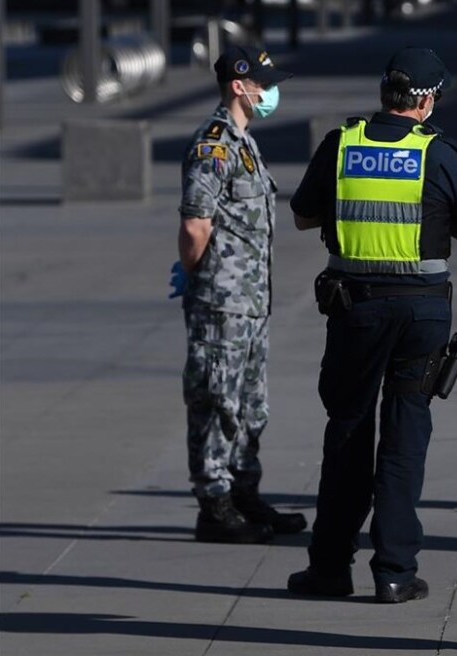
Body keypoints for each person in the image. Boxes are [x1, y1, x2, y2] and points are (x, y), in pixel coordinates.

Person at [285, 46, 457, 603]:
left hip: (356, 308)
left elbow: (303, 216)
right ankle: (395, 571)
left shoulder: (341, 143)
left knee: (348, 429)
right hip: (422, 311)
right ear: (425, 100)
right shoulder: (439, 152)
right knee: (405, 436)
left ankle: (329, 568)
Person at [170, 45, 306, 544]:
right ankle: (215, 502)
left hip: (250, 302)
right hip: (221, 301)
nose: (270, 93)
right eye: (263, 84)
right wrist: (192, 272)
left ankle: (245, 492)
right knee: (216, 398)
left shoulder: (244, 143)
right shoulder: (215, 145)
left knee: (251, 403)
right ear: (238, 86)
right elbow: (195, 223)